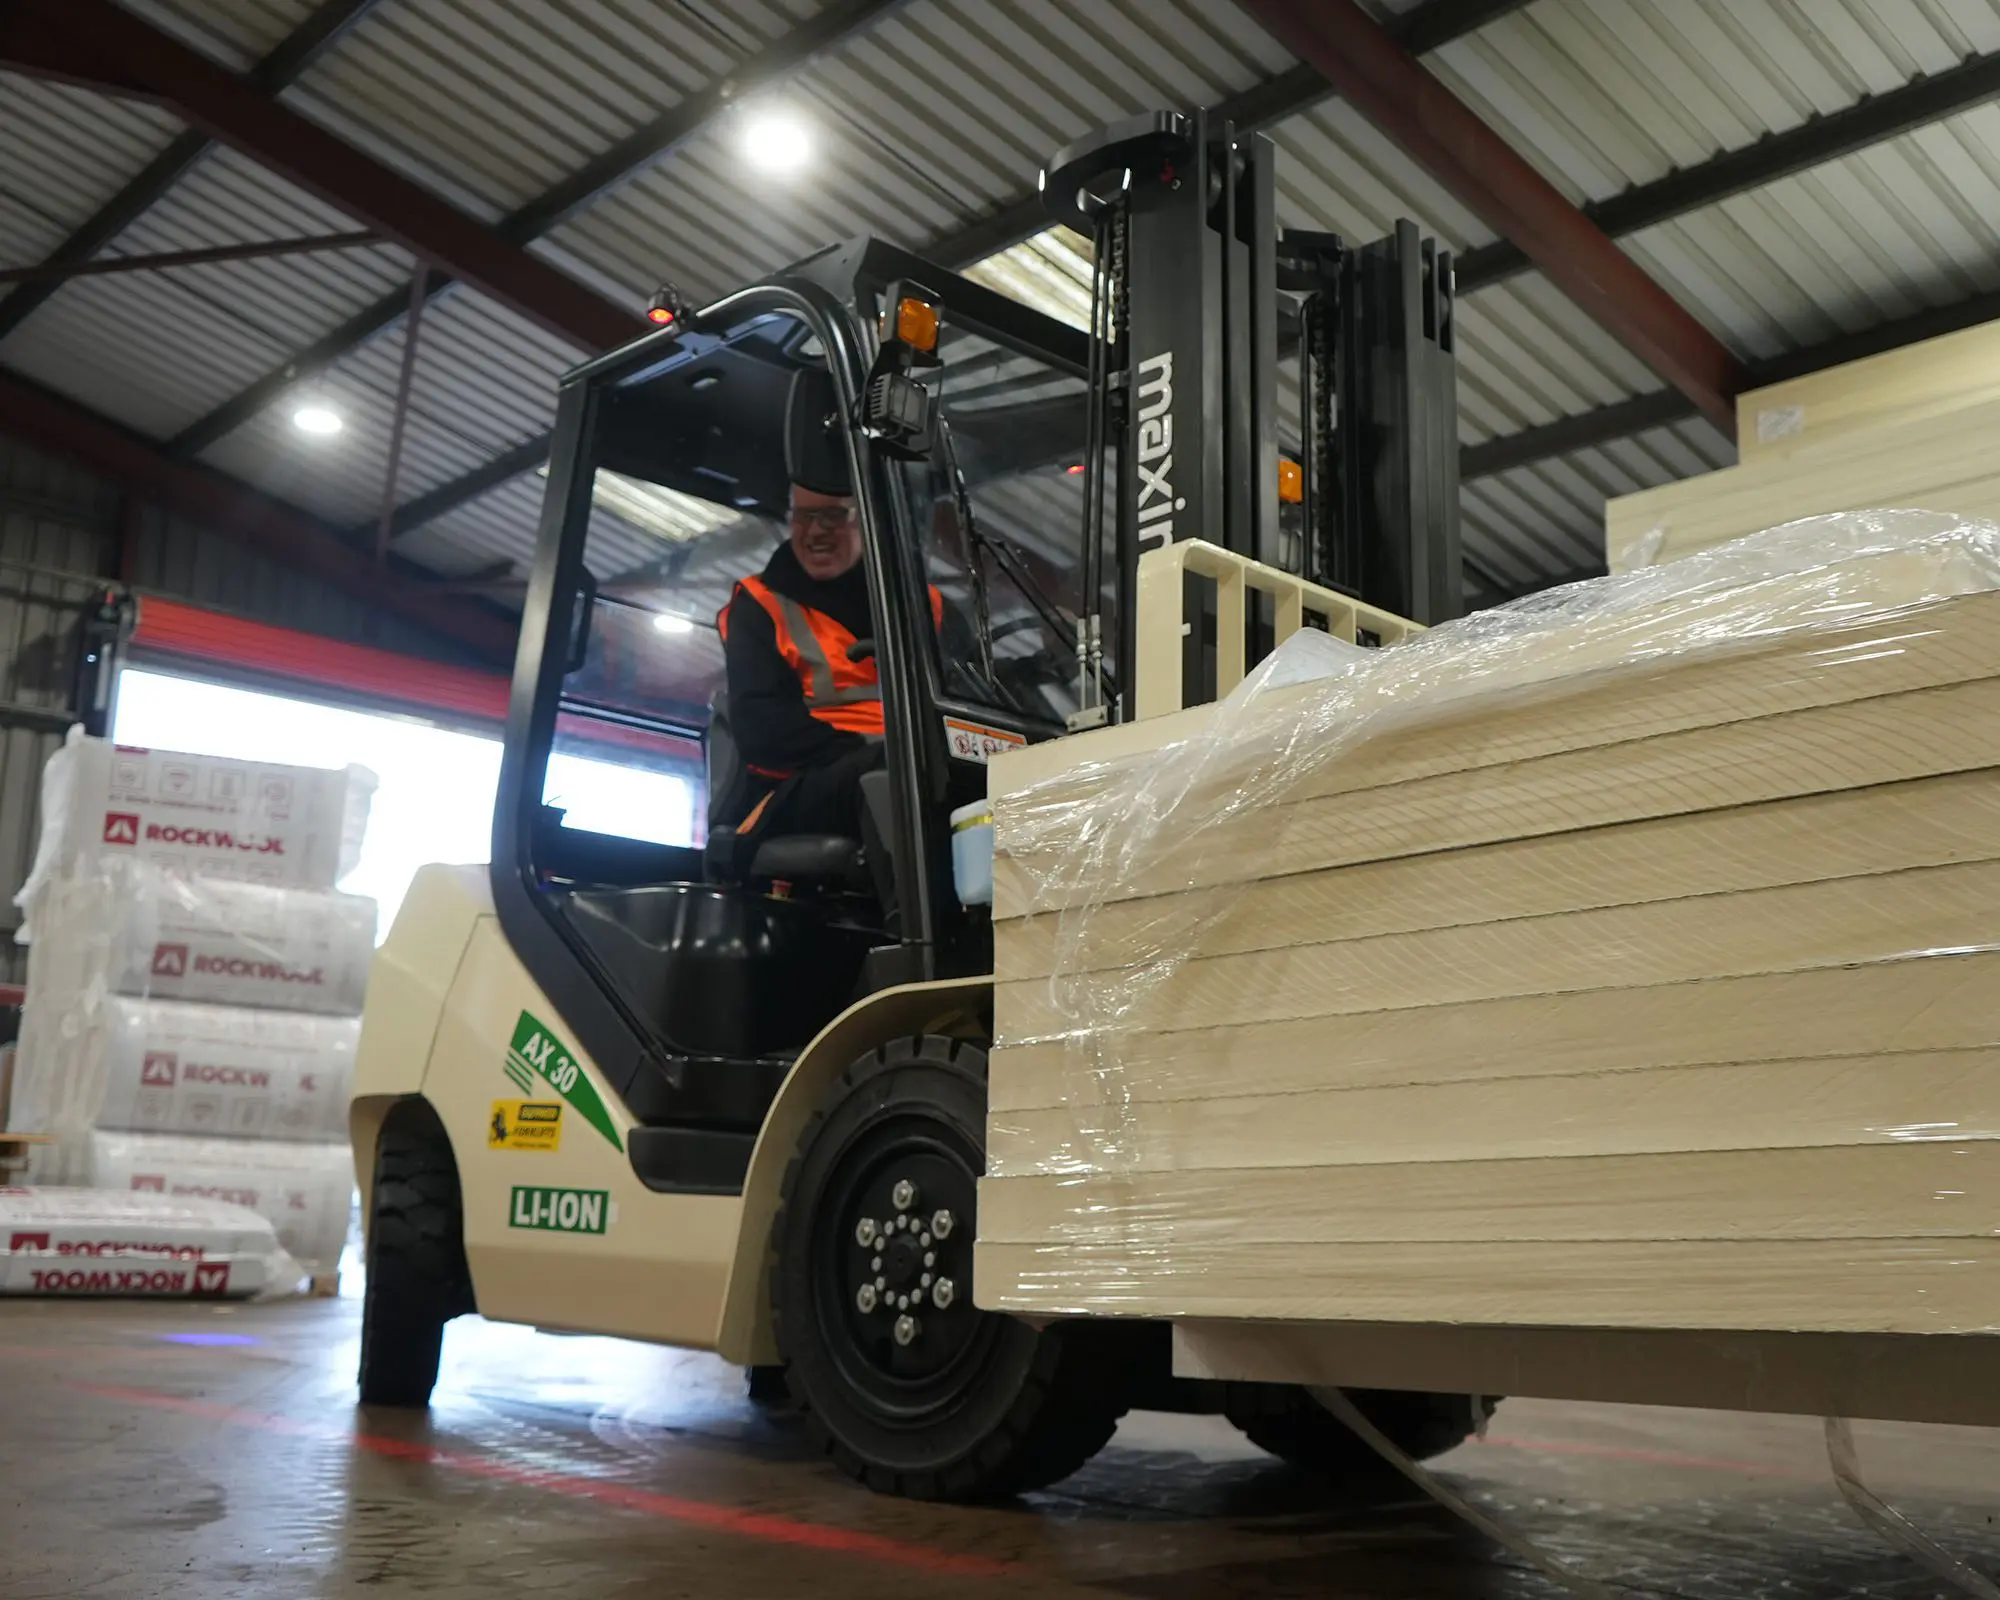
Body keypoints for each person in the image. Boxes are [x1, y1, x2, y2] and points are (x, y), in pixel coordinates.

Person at [713, 366, 941, 846]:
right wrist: (860, 748)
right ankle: (912, 921)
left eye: (833, 516)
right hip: (801, 788)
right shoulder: (760, 605)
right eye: (804, 516)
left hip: (906, 766)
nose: (815, 531)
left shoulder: (928, 604)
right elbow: (759, 725)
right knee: (896, 778)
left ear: (869, 522)